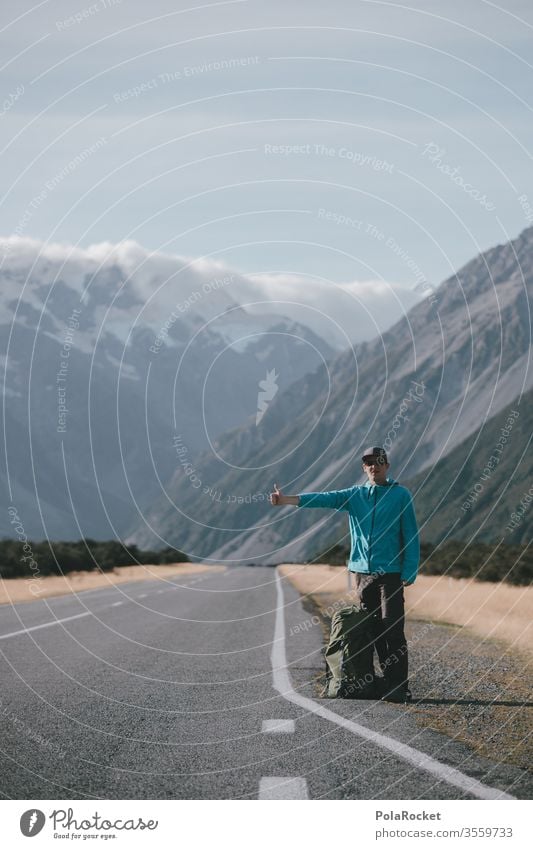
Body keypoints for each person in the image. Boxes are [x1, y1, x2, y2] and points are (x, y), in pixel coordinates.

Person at [270, 447, 419, 703]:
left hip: (391, 574)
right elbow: (323, 498)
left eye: (379, 462)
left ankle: (397, 686)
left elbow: (411, 535)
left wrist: (409, 571)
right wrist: (286, 500)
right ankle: (370, 681)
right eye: (369, 463)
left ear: (388, 465)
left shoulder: (400, 495)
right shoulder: (355, 496)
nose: (374, 466)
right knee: (369, 630)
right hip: (362, 574)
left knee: (392, 629)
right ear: (364, 468)